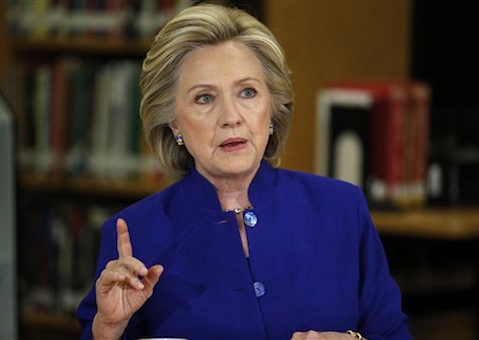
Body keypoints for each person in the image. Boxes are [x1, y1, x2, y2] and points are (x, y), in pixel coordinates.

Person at [77, 4, 411, 340]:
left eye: (247, 92)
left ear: (272, 108)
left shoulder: (341, 209)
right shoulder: (133, 234)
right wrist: (108, 330)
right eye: (204, 98)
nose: (231, 116)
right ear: (174, 122)